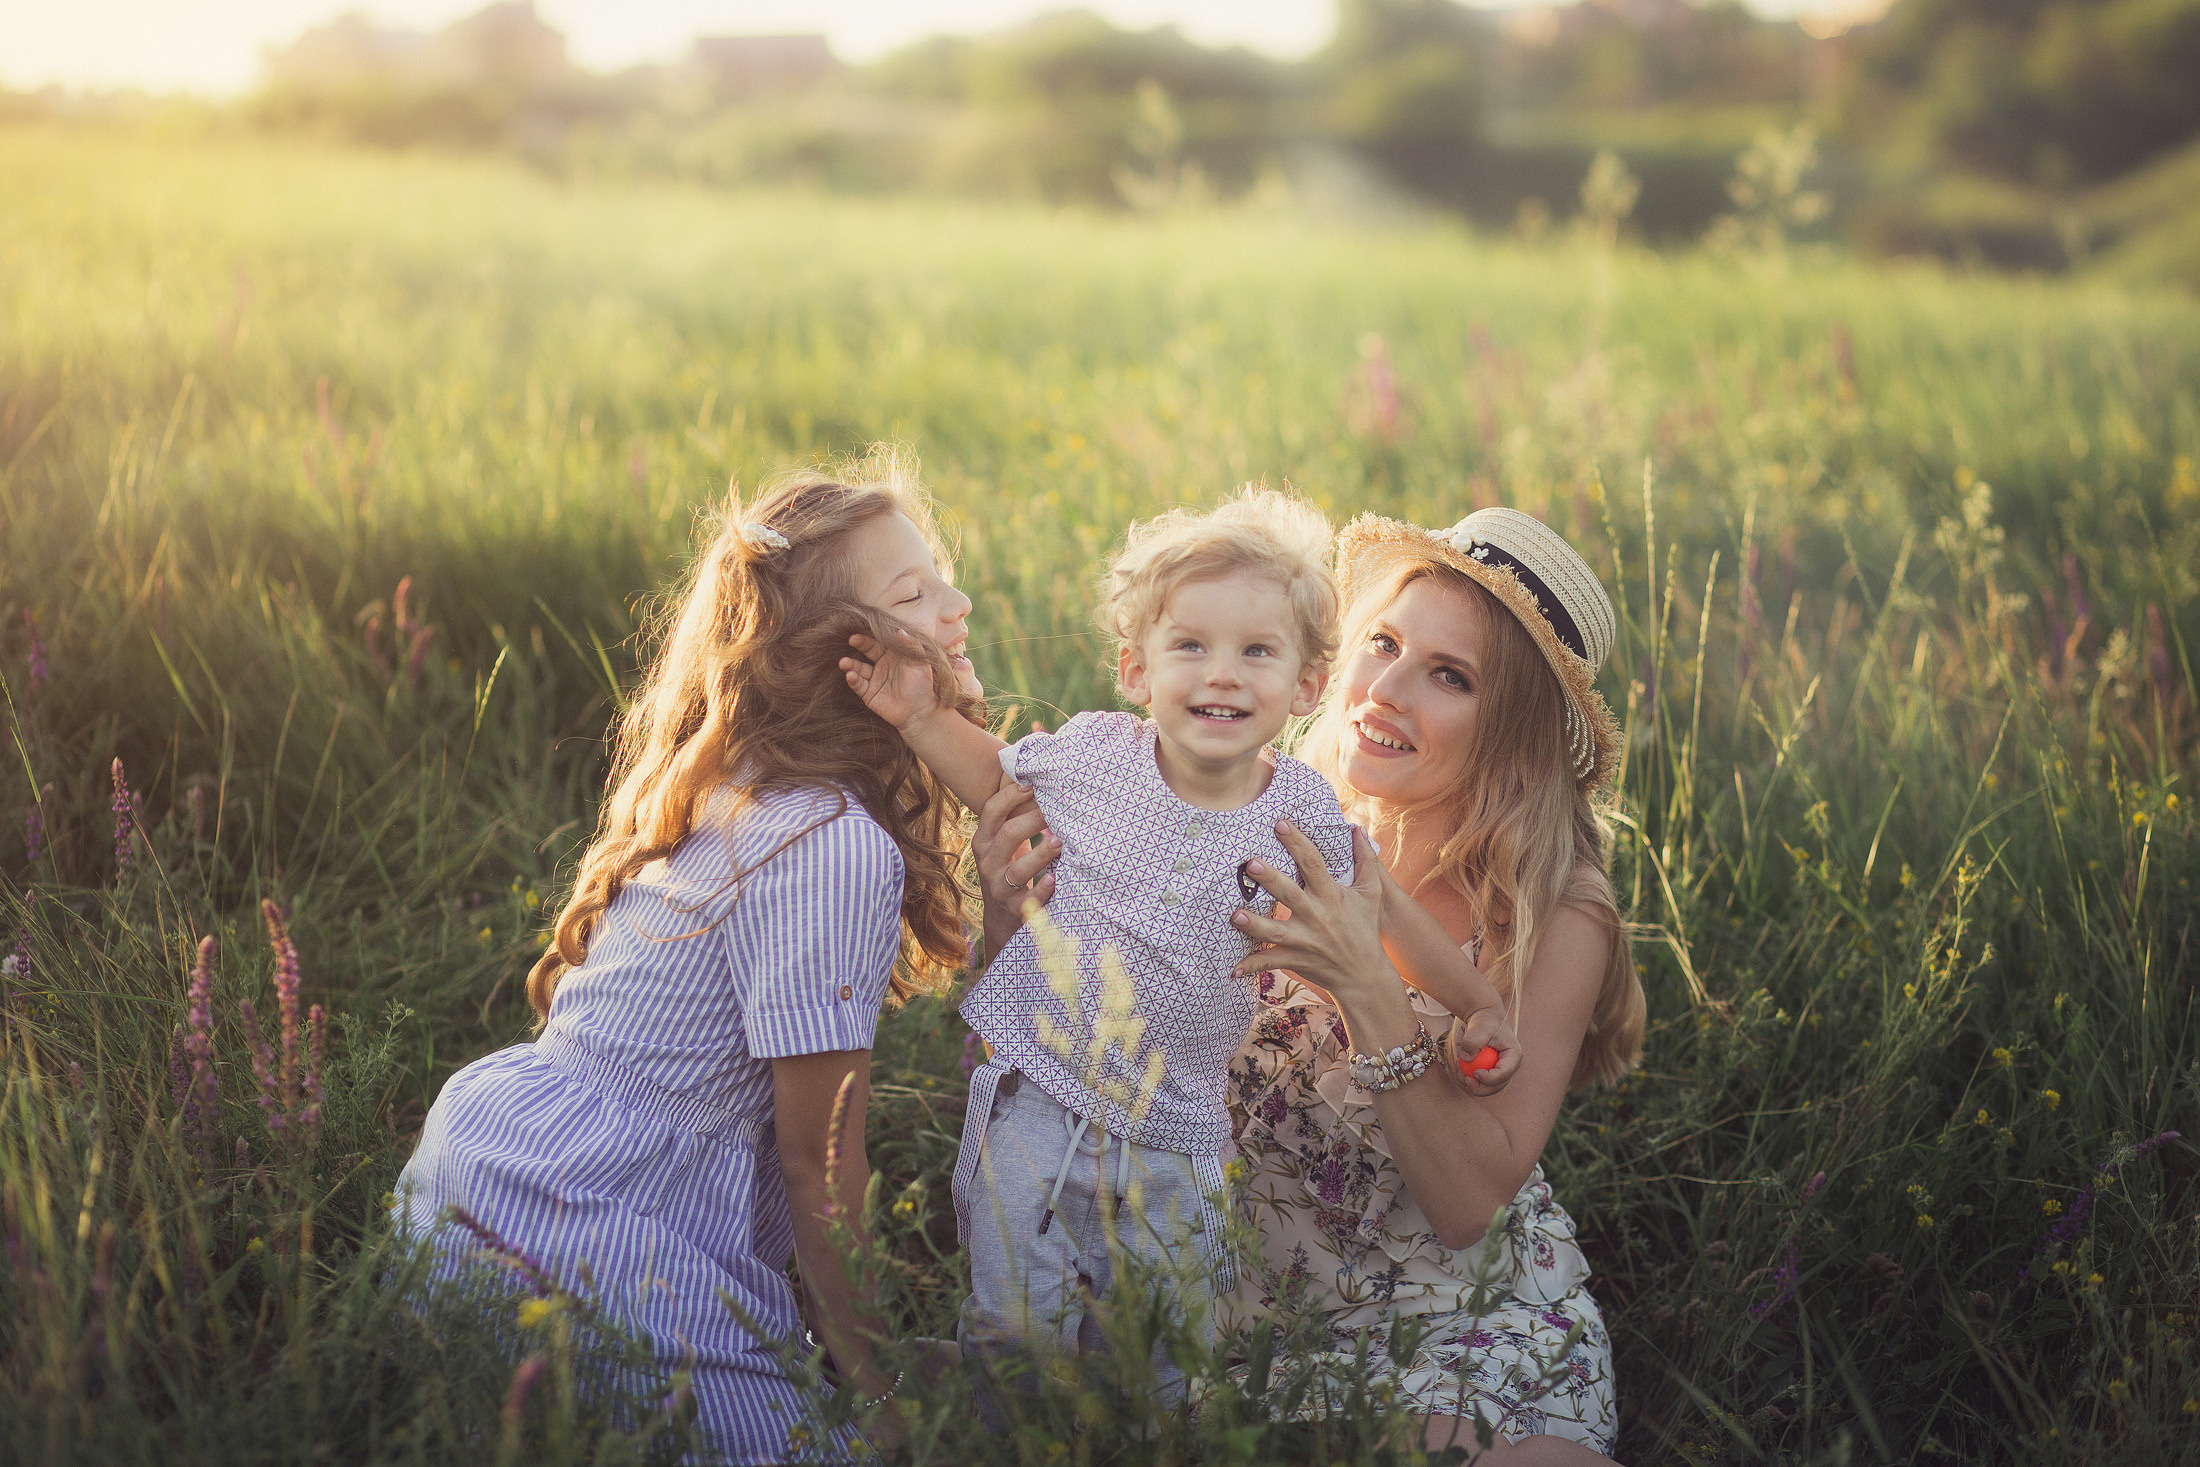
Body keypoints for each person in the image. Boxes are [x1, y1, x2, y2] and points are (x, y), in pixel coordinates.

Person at [980, 505, 1645, 1461]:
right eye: (1383, 643)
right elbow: (1081, 1042)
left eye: (1449, 677)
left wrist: (1362, 983)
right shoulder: (1261, 806)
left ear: (1515, 730)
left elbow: (1467, 1207)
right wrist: (1014, 915)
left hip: (1452, 1312)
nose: (1386, 689)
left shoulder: (1553, 913)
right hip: (1230, 1297)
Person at [841, 489, 1522, 1402]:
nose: (1224, 675)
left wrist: (1478, 1000)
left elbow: (1388, 912)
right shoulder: (1092, 760)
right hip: (1042, 1100)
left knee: (1161, 1361)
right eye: (1190, 646)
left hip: (1179, 1136)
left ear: (1308, 686)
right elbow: (993, 780)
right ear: (1136, 667)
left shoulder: (1302, 812)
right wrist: (918, 717)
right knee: (1018, 1330)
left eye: (1257, 652)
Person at [394, 449, 979, 1464]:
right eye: (915, 592)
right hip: (582, 1224)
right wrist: (883, 1403)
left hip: (490, 1165)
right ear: (844, 656)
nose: (957, 602)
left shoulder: (743, 777)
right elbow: (817, 1164)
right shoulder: (828, 843)